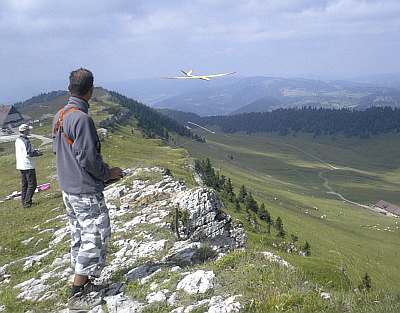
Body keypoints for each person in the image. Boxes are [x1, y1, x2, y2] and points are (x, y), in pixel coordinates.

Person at [52, 68, 123, 310]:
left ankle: (85, 281)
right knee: (95, 236)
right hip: (84, 191)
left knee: (79, 236)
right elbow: (88, 159)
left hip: (68, 190)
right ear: (90, 91)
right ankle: (77, 293)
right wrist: (109, 174)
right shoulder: (82, 119)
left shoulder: (60, 115)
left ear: (70, 88)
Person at [15, 124, 42, 208]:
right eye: (28, 130)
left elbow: (24, 152)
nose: (29, 131)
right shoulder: (26, 140)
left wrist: (34, 151)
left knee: (25, 185)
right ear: (25, 131)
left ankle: (24, 201)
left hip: (21, 164)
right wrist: (38, 153)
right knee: (32, 184)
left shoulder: (18, 140)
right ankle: (27, 202)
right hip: (28, 165)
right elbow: (29, 153)